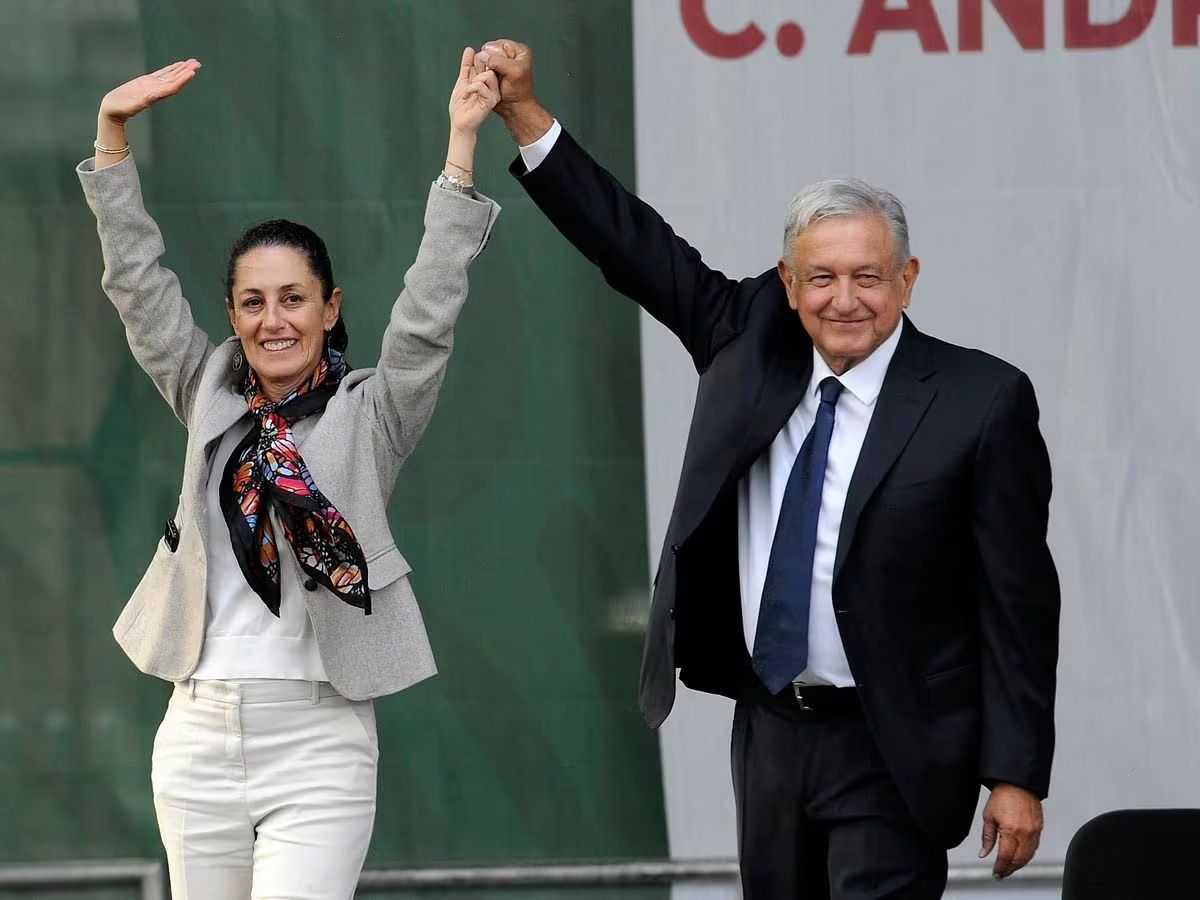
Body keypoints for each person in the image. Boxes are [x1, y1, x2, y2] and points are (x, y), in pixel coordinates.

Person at [476, 39, 1060, 899]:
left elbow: (1018, 602)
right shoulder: (744, 334)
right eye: (821, 277)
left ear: (907, 280)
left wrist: (1015, 772)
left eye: (868, 277)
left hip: (894, 738)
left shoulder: (982, 399)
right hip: (770, 729)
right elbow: (630, 241)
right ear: (788, 283)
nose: (845, 300)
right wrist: (523, 112)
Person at [77, 53, 500, 898]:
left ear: (330, 307)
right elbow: (139, 289)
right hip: (197, 733)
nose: (274, 320)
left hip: (320, 740)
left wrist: (461, 148)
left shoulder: (373, 411)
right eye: (254, 301)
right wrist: (111, 140)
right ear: (233, 315)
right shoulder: (207, 390)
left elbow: (428, 309)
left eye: (294, 298)